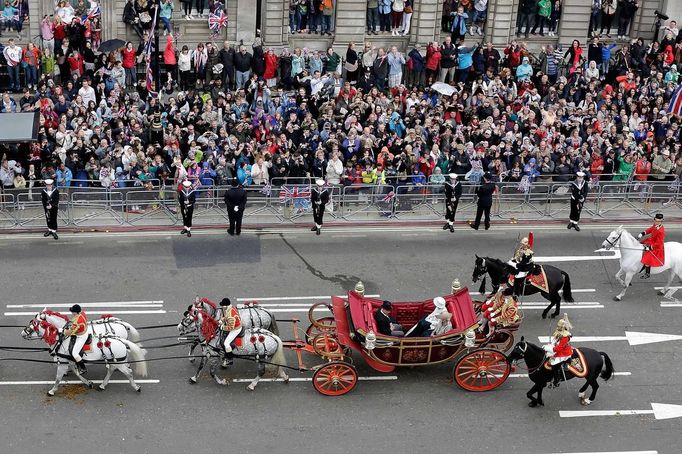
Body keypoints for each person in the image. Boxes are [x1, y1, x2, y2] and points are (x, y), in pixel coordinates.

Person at [543, 314, 574, 387]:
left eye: (559, 327)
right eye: (558, 326)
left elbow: (559, 348)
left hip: (564, 353)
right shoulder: (559, 332)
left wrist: (548, 348)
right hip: (559, 349)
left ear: (563, 327)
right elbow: (556, 340)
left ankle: (556, 380)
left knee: (554, 364)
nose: (557, 328)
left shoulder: (565, 337)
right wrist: (550, 344)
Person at [62, 304, 88, 374]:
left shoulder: (78, 322)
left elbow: (68, 332)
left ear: (76, 312)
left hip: (81, 336)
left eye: (73, 312)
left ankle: (83, 368)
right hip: (83, 330)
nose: (72, 313)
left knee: (75, 353)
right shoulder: (82, 313)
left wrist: (61, 331)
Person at [638, 213, 665, 279]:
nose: (656, 222)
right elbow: (651, 229)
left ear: (661, 221)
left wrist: (650, 247)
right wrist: (643, 233)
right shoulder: (656, 225)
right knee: (640, 243)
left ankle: (647, 273)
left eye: (658, 221)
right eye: (655, 220)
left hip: (656, 246)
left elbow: (659, 243)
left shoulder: (661, 231)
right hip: (651, 241)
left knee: (648, 258)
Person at [218, 298, 242, 365]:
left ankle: (230, 359)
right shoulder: (229, 308)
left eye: (223, 305)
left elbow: (231, 328)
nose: (222, 306)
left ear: (225, 306)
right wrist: (221, 320)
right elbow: (226, 316)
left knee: (226, 343)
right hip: (233, 324)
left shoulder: (231, 315)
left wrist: (222, 327)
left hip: (236, 329)